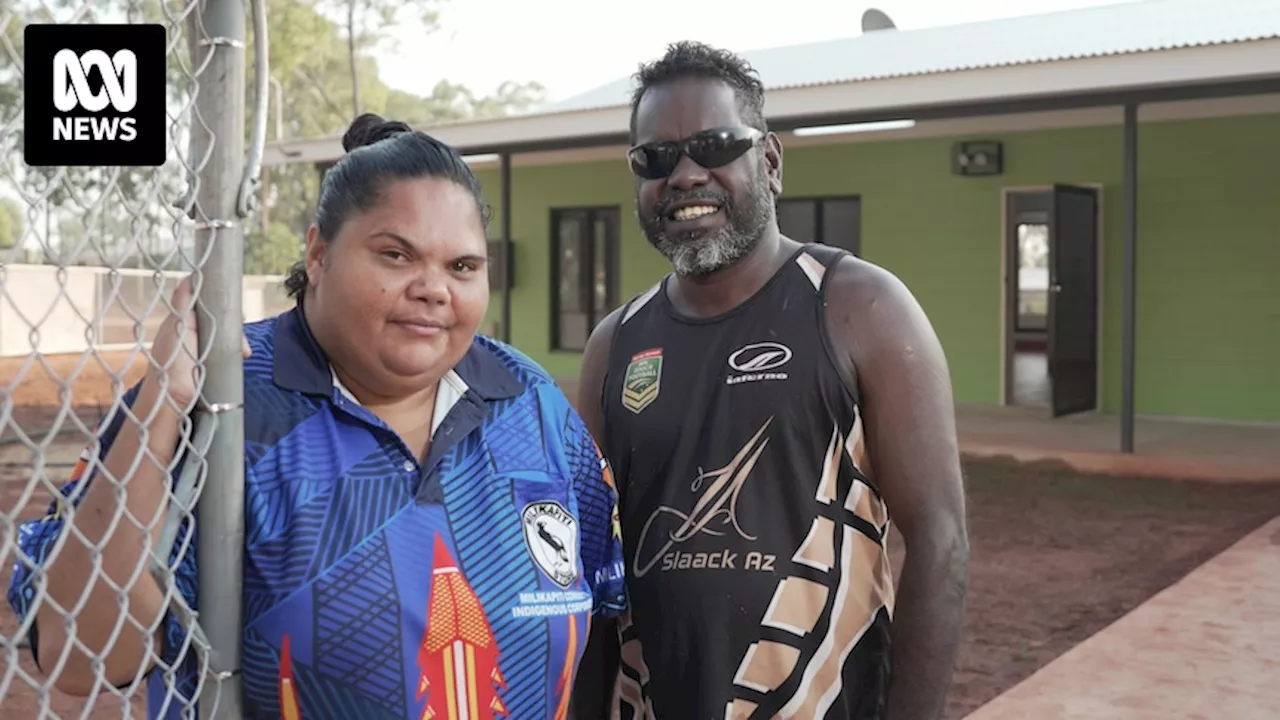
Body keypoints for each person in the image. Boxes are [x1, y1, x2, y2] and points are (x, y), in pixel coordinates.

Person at [8, 113, 627, 720]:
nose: (434, 288)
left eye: (462, 266)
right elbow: (79, 659)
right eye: (396, 255)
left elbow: (601, 605)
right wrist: (161, 409)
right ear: (318, 253)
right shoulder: (224, 401)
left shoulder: (528, 401)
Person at [572, 42, 970, 720]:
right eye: (655, 158)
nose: (686, 174)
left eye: (715, 145)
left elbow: (939, 540)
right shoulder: (616, 345)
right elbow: (590, 564)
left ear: (772, 162)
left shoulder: (858, 308)